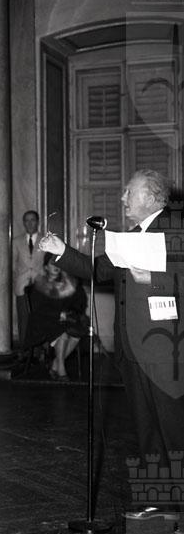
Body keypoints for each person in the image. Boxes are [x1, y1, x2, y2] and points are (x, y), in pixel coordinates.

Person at [39, 169, 184, 469]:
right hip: (131, 349)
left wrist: (155, 279)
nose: (122, 197)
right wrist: (61, 251)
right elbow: (98, 270)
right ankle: (160, 494)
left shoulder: (177, 228)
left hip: (165, 350)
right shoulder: (131, 237)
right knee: (146, 431)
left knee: (174, 431)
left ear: (150, 197)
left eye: (129, 191)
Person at [23, 253, 87, 381]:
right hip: (42, 320)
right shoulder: (40, 284)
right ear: (46, 267)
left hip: (62, 319)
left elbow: (79, 302)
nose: (56, 266)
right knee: (62, 334)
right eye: (52, 263)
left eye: (59, 263)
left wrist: (69, 311)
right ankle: (61, 370)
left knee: (77, 332)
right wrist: (58, 314)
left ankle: (55, 364)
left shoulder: (66, 283)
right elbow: (38, 309)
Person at [13, 210, 45, 348]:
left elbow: (50, 263)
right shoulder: (16, 241)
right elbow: (12, 264)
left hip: (40, 285)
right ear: (24, 223)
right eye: (27, 220)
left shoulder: (46, 240)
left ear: (37, 222)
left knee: (40, 318)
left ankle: (39, 350)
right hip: (22, 285)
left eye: (33, 220)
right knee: (23, 318)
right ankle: (24, 350)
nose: (30, 223)